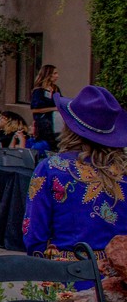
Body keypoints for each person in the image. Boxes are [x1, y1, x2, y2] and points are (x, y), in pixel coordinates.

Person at [22, 84, 127, 267]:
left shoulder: (51, 169)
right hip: (120, 277)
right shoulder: (124, 171)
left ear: (70, 127)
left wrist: (40, 268)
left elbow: (34, 232)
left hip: (68, 275)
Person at [31, 64, 62, 148]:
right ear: (48, 74)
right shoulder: (38, 90)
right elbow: (34, 109)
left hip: (55, 122)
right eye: (55, 73)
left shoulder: (55, 89)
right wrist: (53, 109)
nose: (57, 76)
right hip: (44, 123)